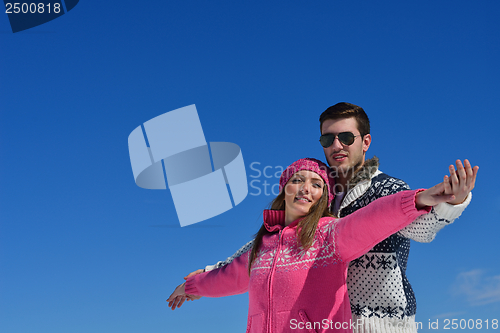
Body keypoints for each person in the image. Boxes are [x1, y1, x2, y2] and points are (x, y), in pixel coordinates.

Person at [172, 103, 478, 332]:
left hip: (380, 324)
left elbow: (420, 226)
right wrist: (205, 275)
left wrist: (447, 201)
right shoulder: (317, 199)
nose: (336, 145)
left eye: (346, 136)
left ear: (365, 142)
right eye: (327, 139)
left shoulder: (385, 189)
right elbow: (262, 254)